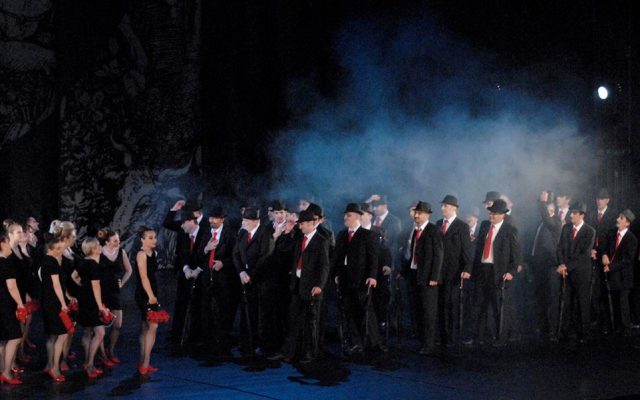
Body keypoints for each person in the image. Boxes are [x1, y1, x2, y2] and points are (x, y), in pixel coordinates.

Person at [269, 209, 330, 363]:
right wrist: (287, 232)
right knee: (293, 320)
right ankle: (288, 352)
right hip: (297, 285)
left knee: (311, 322)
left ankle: (310, 353)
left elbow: (324, 265)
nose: (300, 226)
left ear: (311, 223)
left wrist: (319, 285)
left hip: (312, 287)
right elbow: (283, 249)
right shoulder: (298, 238)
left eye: (302, 224)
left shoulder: (321, 240)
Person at [468, 199, 520, 347]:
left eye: (495, 214)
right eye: (490, 213)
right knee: (479, 304)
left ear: (502, 215)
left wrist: (511, 272)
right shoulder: (485, 226)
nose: (491, 216)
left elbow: (515, 255)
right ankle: (477, 336)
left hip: (498, 272)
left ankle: (500, 337)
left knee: (498, 306)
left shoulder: (510, 230)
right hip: (483, 269)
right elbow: (479, 249)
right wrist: (472, 270)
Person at [333, 203, 384, 354]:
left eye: (348, 215)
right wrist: (335, 274)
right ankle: (356, 343)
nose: (345, 218)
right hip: (345, 278)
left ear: (357, 217)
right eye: (345, 215)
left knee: (365, 310)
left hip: (361, 278)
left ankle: (374, 342)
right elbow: (337, 257)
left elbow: (373, 258)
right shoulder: (342, 235)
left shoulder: (368, 235)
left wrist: (372, 276)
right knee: (349, 311)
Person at [400, 201, 443, 355]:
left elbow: (438, 255)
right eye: (415, 213)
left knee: (428, 311)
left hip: (427, 278)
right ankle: (422, 340)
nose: (416, 215)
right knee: (417, 309)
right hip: (415, 275)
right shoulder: (415, 231)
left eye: (419, 213)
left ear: (427, 215)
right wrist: (404, 271)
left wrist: (434, 276)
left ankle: (429, 344)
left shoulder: (433, 230)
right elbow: (412, 255)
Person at [232, 207, 275, 355]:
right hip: (244, 279)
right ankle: (246, 343)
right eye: (243, 220)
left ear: (256, 221)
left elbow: (265, 257)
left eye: (246, 220)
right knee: (246, 312)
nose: (243, 223)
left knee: (260, 314)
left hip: (260, 281)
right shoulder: (242, 233)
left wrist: (251, 275)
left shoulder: (265, 234)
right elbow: (235, 254)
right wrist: (241, 272)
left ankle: (260, 345)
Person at [556, 202, 596, 344]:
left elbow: (584, 255)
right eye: (571, 212)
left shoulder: (589, 231)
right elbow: (560, 248)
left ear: (582, 215)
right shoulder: (566, 228)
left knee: (582, 303)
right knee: (567, 302)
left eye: (574, 213)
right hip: (566, 273)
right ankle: (564, 332)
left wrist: (566, 266)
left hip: (581, 273)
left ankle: (584, 333)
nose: (571, 215)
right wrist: (561, 264)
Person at [436, 195, 472, 347]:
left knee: (451, 304)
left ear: (454, 208)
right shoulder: (438, 224)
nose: (442, 208)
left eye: (445, 206)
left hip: (454, 272)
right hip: (438, 272)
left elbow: (466, 250)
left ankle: (451, 336)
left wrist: (467, 268)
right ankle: (441, 335)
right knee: (440, 303)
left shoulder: (461, 226)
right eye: (442, 205)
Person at [96, 228, 133, 365]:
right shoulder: (99, 252)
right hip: (101, 291)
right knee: (101, 324)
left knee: (117, 324)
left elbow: (129, 270)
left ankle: (110, 350)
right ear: (107, 242)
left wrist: (122, 282)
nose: (118, 242)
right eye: (115, 240)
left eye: (118, 240)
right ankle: (102, 354)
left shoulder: (121, 252)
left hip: (114, 291)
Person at [530, 191, 562, 341]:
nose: (546, 213)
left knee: (551, 298)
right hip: (540, 266)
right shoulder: (541, 223)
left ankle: (552, 329)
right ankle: (543, 327)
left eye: (549, 210)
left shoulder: (556, 222)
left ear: (553, 211)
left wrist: (542, 203)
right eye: (545, 210)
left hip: (550, 266)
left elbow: (548, 221)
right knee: (540, 297)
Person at [601, 210, 638, 335]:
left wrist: (611, 267)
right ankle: (614, 327)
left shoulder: (632, 239)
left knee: (623, 303)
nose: (617, 219)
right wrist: (604, 254)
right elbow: (604, 247)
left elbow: (627, 260)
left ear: (627, 223)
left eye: (621, 218)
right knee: (613, 302)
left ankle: (626, 328)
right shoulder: (611, 234)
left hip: (623, 277)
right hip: (612, 276)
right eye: (618, 217)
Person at [40, 236, 70, 382]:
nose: (60, 251)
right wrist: (63, 303)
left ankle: (50, 365)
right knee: (62, 335)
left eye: (61, 249)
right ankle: (54, 368)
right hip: (54, 302)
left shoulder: (44, 261)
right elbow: (56, 284)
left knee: (52, 336)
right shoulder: (51, 262)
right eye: (57, 249)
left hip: (47, 301)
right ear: (50, 249)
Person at [77, 238, 107, 378]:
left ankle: (88, 362)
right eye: (98, 245)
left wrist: (83, 287)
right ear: (93, 249)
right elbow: (96, 286)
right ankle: (89, 364)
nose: (100, 246)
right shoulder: (94, 265)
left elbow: (74, 277)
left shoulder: (83, 262)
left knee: (87, 331)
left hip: (84, 298)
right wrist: (100, 306)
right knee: (100, 332)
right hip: (92, 301)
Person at [0, 233, 26, 385]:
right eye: (8, 242)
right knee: (15, 337)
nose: (10, 245)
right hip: (6, 304)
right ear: (2, 243)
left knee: (3, 339)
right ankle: (7, 372)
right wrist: (20, 303)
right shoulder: (6, 263)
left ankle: (3, 370)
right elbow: (12, 287)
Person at [135, 226, 161, 375]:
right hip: (144, 293)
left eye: (154, 237)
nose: (154, 240)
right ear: (142, 240)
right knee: (153, 325)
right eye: (150, 238)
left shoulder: (154, 253)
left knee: (146, 327)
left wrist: (153, 294)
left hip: (153, 291)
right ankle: (145, 362)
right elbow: (143, 277)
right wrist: (150, 296)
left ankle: (144, 361)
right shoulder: (141, 254)